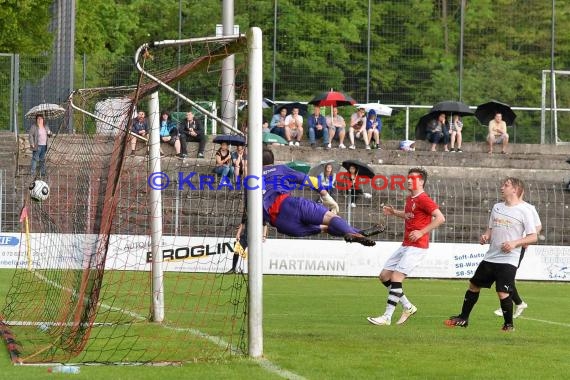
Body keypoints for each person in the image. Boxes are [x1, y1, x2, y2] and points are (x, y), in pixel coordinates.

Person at [445, 177, 538, 332]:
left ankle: (508, 326)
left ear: (514, 189)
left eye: (506, 185)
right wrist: (486, 236)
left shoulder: (525, 210)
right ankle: (463, 318)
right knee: (474, 285)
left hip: (509, 259)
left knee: (502, 292)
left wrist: (515, 243)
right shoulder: (497, 207)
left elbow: (533, 236)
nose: (502, 187)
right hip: (491, 256)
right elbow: (491, 228)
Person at [367, 167, 445, 326]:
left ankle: (387, 317)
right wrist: (394, 212)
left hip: (418, 246)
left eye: (413, 178)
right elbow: (410, 215)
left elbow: (440, 218)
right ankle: (408, 307)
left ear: (421, 181)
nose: (408, 180)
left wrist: (421, 232)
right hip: (406, 245)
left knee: (396, 278)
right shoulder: (411, 199)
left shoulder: (424, 199)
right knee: (384, 276)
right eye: (408, 178)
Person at [261, 148, 382, 246]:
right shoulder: (280, 169)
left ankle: (357, 234)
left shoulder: (250, 180)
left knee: (325, 228)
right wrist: (325, 195)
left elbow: (252, 214)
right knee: (331, 218)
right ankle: (357, 233)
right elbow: (309, 180)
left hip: (281, 223)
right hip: (289, 205)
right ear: (272, 160)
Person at [492, 194, 542, 318]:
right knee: (504, 276)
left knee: (505, 276)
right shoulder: (503, 207)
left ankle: (512, 303)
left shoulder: (528, 208)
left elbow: (538, 226)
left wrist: (526, 240)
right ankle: (518, 303)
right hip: (504, 245)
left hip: (517, 247)